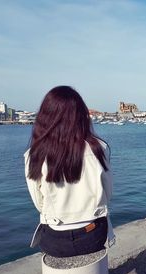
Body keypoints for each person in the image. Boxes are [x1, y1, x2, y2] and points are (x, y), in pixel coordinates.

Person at [24, 86, 115, 258]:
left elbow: (39, 203)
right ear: (81, 115)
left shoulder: (33, 155)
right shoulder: (98, 148)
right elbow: (108, 194)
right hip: (92, 234)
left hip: (54, 238)